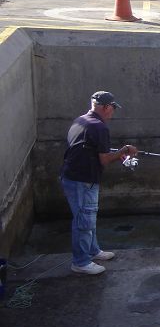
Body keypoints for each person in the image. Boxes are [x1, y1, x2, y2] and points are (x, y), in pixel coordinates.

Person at [61, 91, 138, 275]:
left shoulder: (81, 121)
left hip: (73, 177)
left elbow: (88, 148)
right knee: (84, 220)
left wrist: (117, 154)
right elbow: (104, 160)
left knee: (88, 216)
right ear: (105, 107)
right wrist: (124, 150)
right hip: (81, 180)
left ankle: (93, 251)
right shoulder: (100, 128)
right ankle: (80, 262)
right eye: (112, 108)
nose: (113, 112)